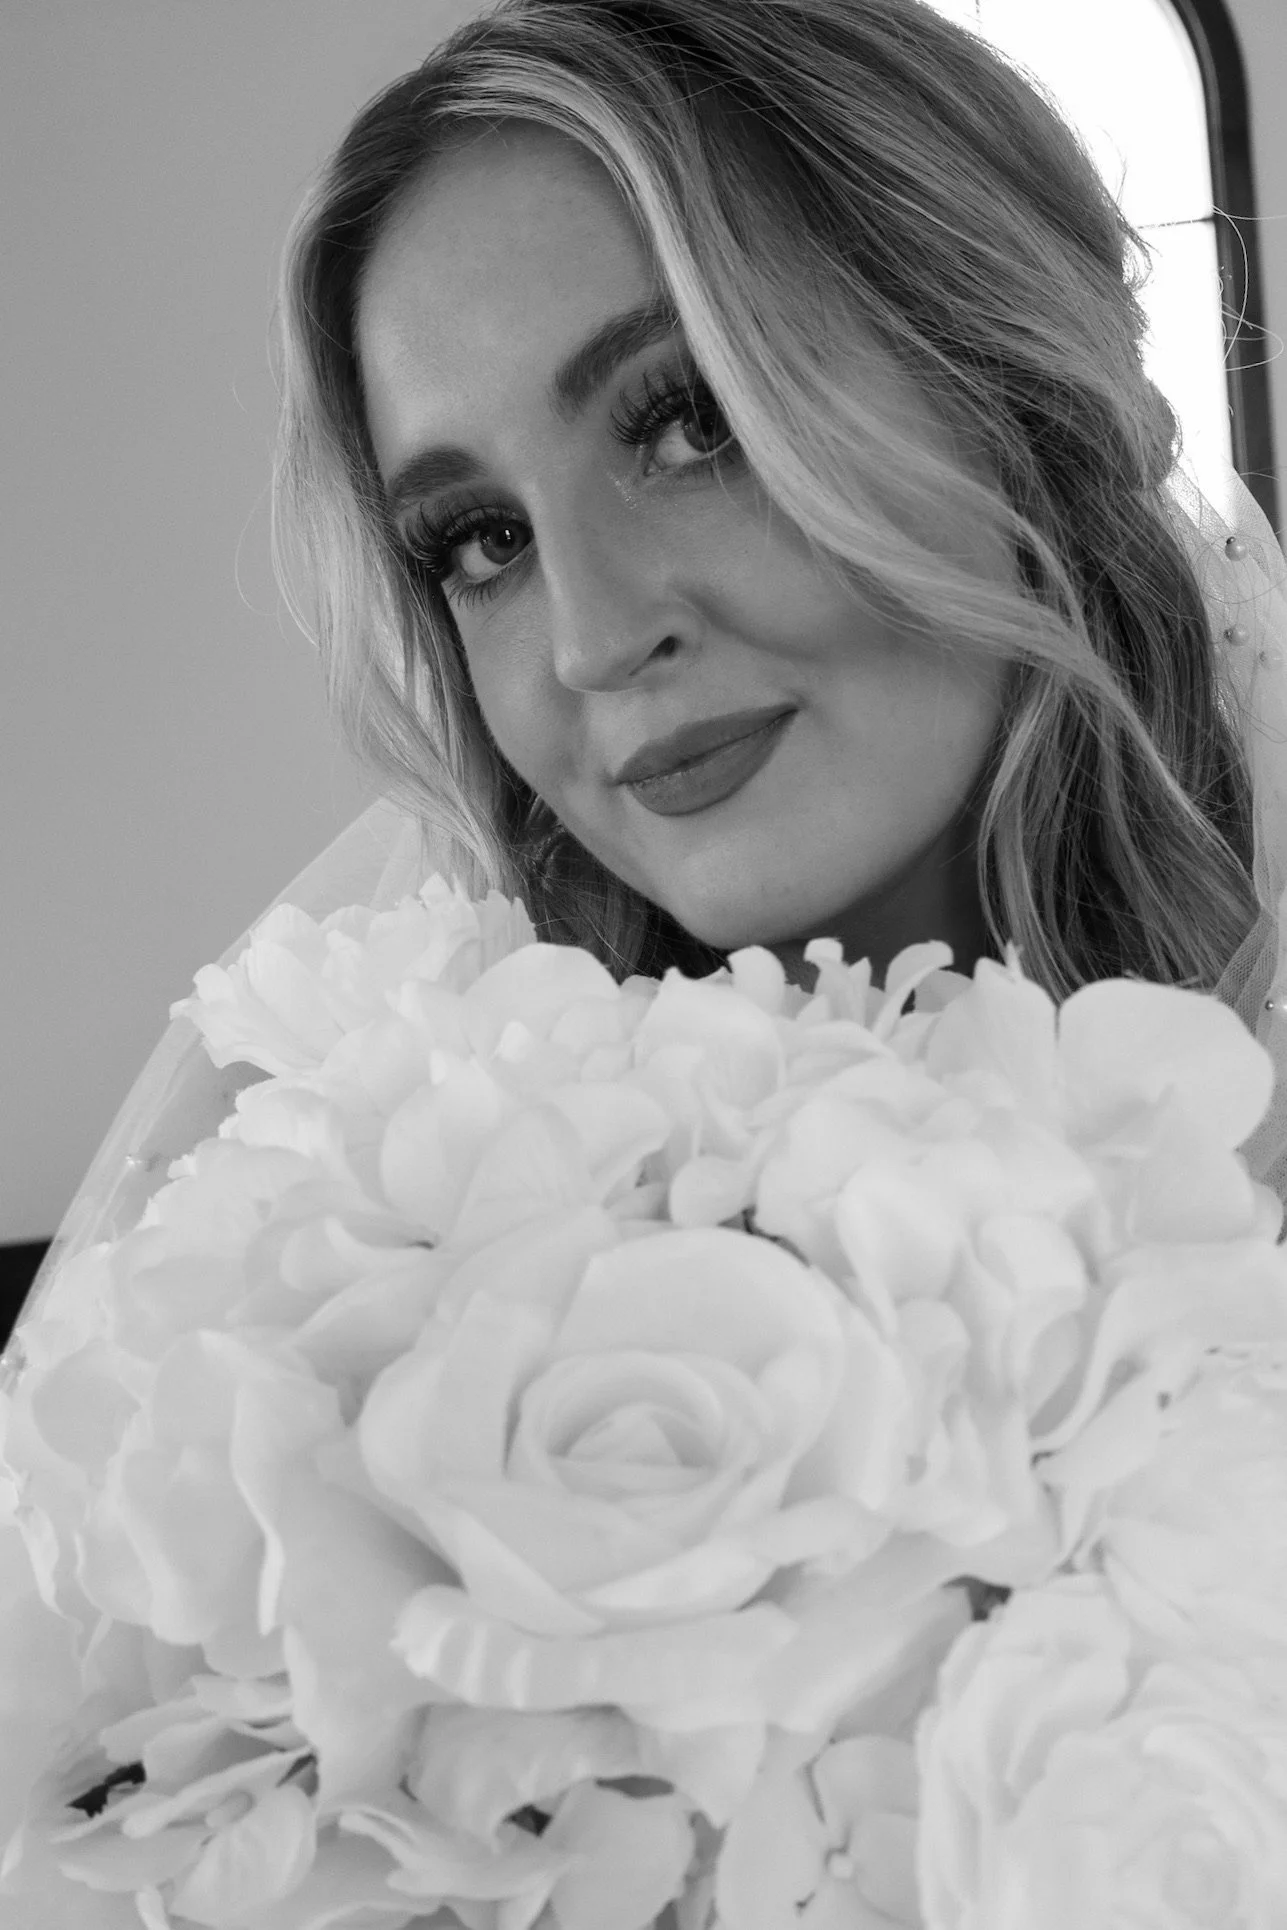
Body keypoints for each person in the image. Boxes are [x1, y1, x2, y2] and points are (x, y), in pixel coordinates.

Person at [12, 0, 1287, 1351]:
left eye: (691, 424)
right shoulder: (373, 1278)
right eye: (482, 540)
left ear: (1010, 387)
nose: (589, 640)